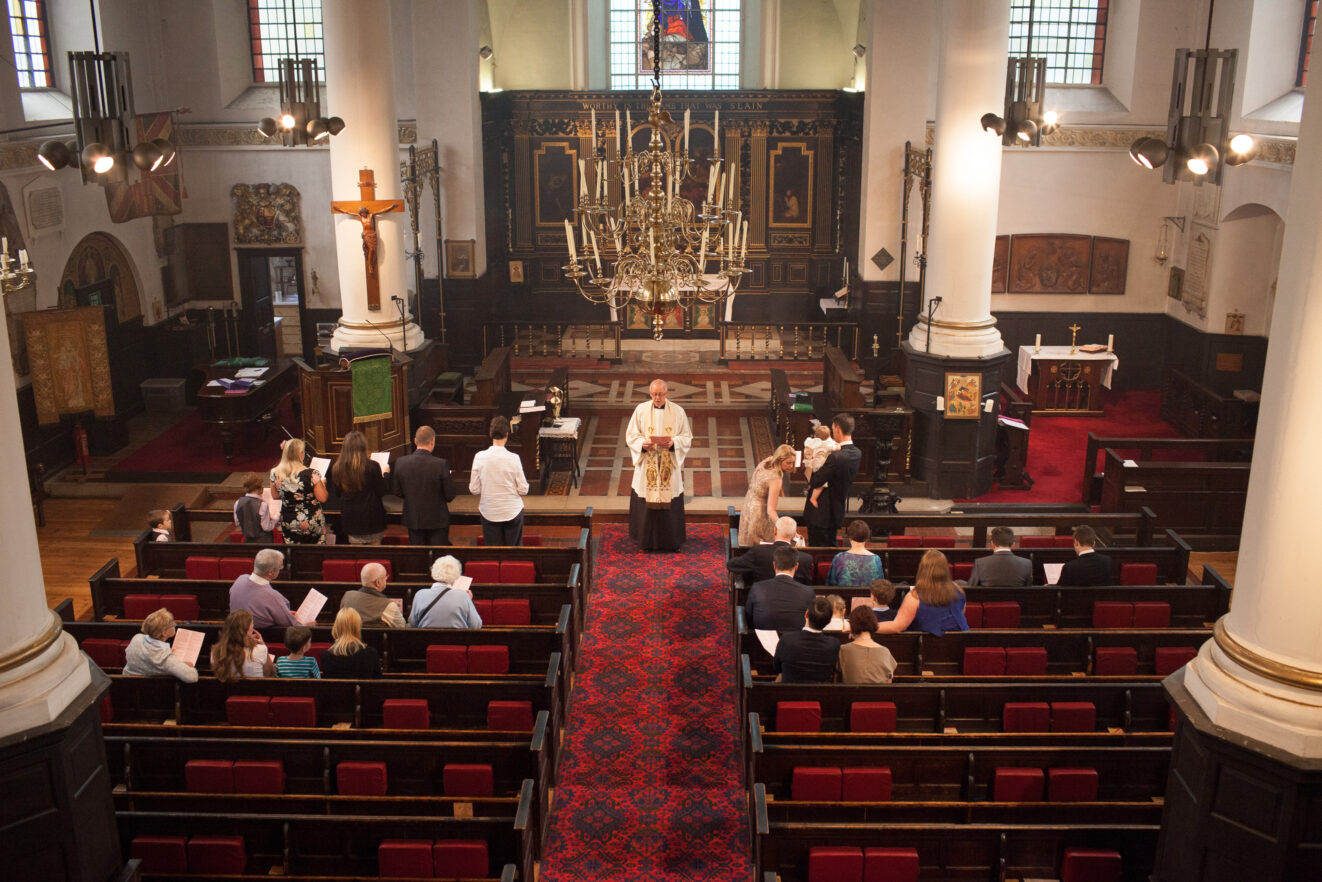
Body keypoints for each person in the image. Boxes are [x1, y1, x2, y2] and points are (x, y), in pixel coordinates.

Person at [625, 379, 694, 551]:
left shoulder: (678, 412)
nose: (657, 398)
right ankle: (645, 541)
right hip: (647, 464)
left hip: (668, 465)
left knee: (669, 499)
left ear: (667, 393)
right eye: (654, 394)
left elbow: (686, 437)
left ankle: (671, 542)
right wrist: (642, 444)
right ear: (650, 393)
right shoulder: (640, 410)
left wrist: (673, 443)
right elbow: (631, 435)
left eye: (661, 394)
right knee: (646, 500)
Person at [876, 550, 970, 637]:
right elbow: (961, 614)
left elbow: (897, 627)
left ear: (921, 568)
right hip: (961, 642)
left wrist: (869, 627)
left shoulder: (915, 596)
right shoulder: (958, 590)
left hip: (930, 647)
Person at [392, 425, 458, 546]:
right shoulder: (440, 464)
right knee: (438, 557)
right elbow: (450, 495)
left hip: (413, 518)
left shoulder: (401, 462)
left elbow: (397, 492)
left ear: (415, 441)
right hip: (437, 520)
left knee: (418, 557)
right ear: (432, 441)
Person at [469, 415, 530, 546]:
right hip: (512, 510)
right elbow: (524, 490)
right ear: (507, 434)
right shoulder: (514, 458)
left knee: (493, 553)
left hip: (489, 511)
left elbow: (473, 489)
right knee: (513, 555)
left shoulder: (479, 457)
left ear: (490, 434)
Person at [804, 413, 862, 547]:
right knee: (830, 551)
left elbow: (816, 481)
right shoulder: (857, 453)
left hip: (820, 513)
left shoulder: (835, 457)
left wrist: (809, 463)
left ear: (837, 429)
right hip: (837, 510)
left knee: (819, 554)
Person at [329, 430, 388, 545]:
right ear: (363, 447)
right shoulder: (372, 466)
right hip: (372, 517)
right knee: (375, 555)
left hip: (351, 517)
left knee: (357, 554)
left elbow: (337, 493)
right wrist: (385, 474)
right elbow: (382, 491)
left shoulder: (337, 468)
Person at [270, 438, 328, 544]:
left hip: (289, 519)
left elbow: (275, 496)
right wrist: (321, 483)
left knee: (294, 551)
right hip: (310, 520)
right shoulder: (312, 474)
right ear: (301, 453)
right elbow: (322, 498)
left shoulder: (275, 472)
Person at [745, 545, 815, 632]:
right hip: (795, 642)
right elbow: (811, 622)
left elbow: (748, 616)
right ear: (796, 566)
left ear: (774, 565)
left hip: (758, 641)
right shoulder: (808, 592)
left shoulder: (757, 587)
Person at [727, 516, 813, 587]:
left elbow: (732, 565)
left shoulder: (758, 552)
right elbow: (808, 585)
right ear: (794, 535)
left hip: (762, 600)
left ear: (775, 531)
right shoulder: (806, 559)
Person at [739, 444, 796, 546]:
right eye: (788, 463)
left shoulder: (767, 461)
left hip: (748, 504)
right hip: (759, 513)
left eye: (793, 462)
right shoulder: (775, 479)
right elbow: (771, 511)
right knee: (762, 545)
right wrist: (786, 530)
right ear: (779, 460)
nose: (791, 466)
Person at [773, 597, 840, 683]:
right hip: (819, 695)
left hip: (789, 694)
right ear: (829, 621)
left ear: (806, 614)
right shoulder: (834, 645)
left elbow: (777, 668)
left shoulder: (787, 640)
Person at [229, 548, 300, 628]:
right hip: (262, 637)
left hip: (234, 631)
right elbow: (293, 626)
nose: (280, 570)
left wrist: (283, 612)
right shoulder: (273, 597)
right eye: (280, 568)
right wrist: (307, 626)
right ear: (271, 572)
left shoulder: (240, 579)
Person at [122, 608, 198, 683]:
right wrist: (186, 665)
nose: (174, 625)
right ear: (164, 633)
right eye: (172, 624)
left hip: (127, 684)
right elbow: (192, 677)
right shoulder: (165, 659)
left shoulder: (137, 638)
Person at [409, 555, 483, 629]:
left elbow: (412, 624)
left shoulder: (420, 594)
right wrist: (470, 601)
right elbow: (476, 625)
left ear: (433, 572)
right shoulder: (463, 595)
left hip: (427, 640)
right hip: (456, 640)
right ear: (456, 576)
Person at [837, 606, 897, 684]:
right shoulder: (885, 652)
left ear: (852, 625)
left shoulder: (844, 650)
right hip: (879, 696)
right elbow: (889, 682)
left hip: (852, 695)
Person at [211, 609, 273, 682]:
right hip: (255, 691)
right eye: (252, 624)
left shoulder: (216, 651)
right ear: (247, 629)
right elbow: (269, 674)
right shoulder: (261, 649)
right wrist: (263, 645)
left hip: (227, 692)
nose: (253, 626)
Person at [320, 608, 382, 679]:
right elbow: (377, 680)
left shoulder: (327, 656)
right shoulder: (371, 653)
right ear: (357, 627)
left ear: (336, 627)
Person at [341, 562, 405, 628]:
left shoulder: (347, 596)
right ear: (378, 582)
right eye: (385, 577)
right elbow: (402, 628)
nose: (386, 579)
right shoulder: (389, 606)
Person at [967, 526, 1033, 587]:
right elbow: (1029, 588)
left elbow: (972, 587)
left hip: (989, 599)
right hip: (1015, 599)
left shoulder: (980, 563)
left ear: (992, 544)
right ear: (1013, 545)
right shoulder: (1026, 563)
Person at [826, 520, 885, 586]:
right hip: (868, 596)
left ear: (849, 538)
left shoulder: (839, 558)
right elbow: (880, 585)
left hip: (844, 596)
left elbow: (830, 584)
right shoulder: (876, 559)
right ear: (867, 538)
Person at [233, 472, 276, 543]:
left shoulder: (238, 502)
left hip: (247, 540)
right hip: (264, 541)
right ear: (258, 487)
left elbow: (237, 522)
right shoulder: (262, 505)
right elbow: (266, 527)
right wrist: (276, 518)